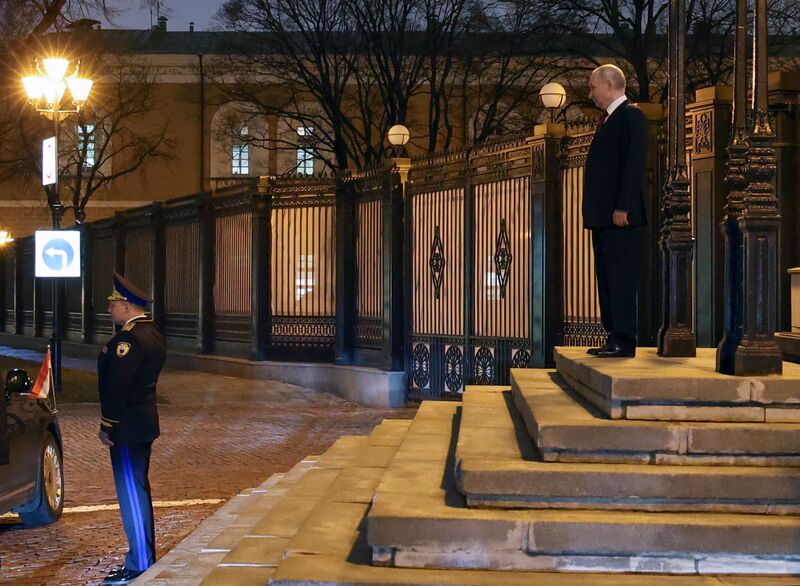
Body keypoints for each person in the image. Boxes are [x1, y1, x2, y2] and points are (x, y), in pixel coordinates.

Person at [98, 273, 166, 585]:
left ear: (126, 306)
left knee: (132, 495)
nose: (110, 309)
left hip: (126, 428)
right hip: (143, 424)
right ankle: (141, 557)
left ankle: (140, 564)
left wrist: (107, 426)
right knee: (137, 489)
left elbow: (117, 387)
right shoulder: (152, 333)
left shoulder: (128, 340)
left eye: (113, 304)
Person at [583, 64, 648, 358]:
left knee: (621, 279)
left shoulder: (630, 116)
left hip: (620, 217)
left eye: (593, 87)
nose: (590, 93)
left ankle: (624, 338)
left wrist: (623, 206)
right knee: (607, 277)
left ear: (611, 85)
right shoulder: (608, 120)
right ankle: (613, 335)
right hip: (604, 218)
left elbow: (633, 164)